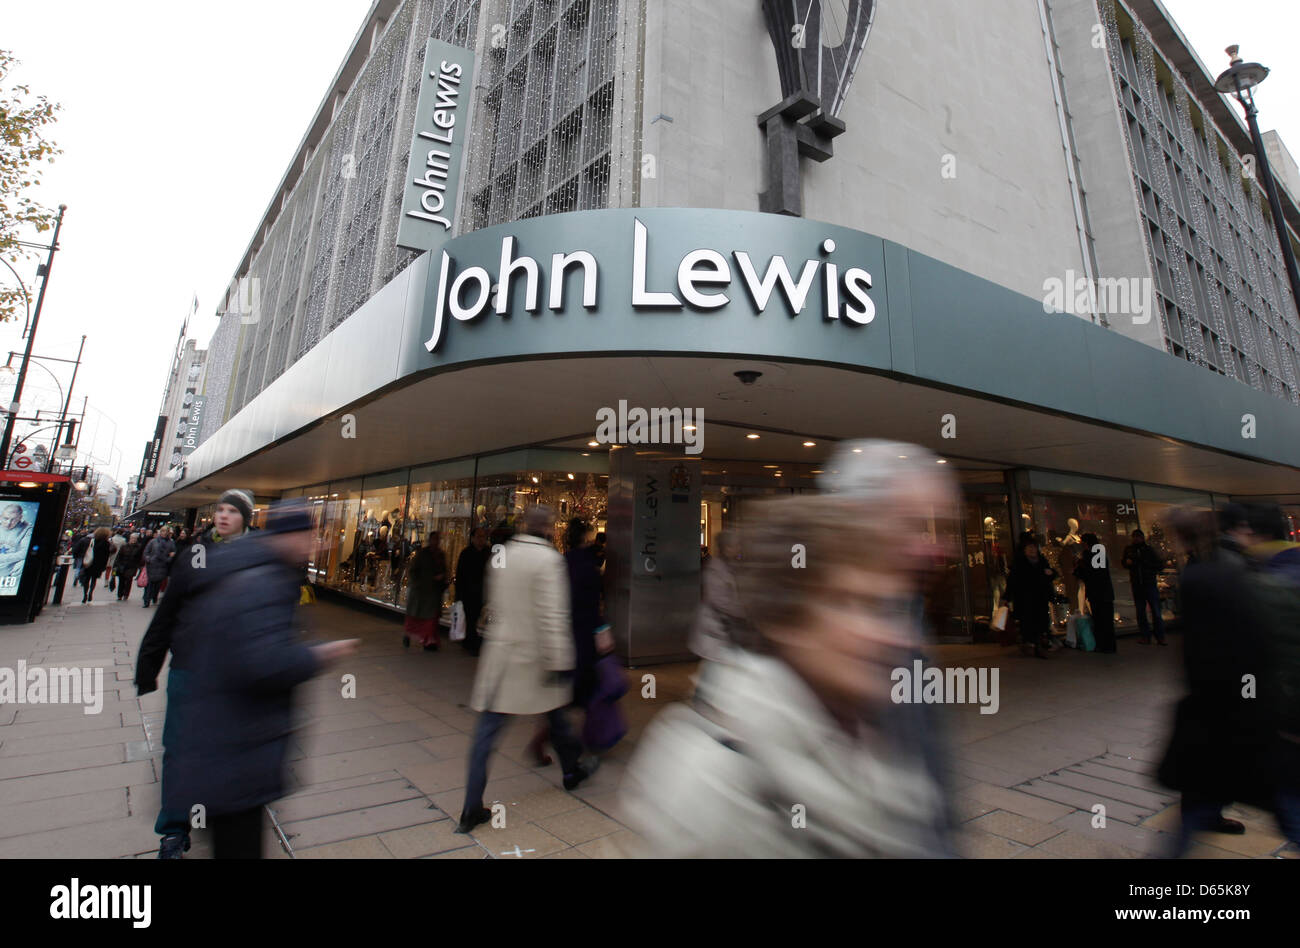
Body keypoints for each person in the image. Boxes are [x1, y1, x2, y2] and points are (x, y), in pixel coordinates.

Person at [621, 441, 958, 857]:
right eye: (850, 604)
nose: (894, 636)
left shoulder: (870, 730)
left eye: (884, 607)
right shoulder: (709, 780)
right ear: (790, 620)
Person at [162, 500, 358, 859]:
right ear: (291, 535)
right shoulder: (263, 580)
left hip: (225, 745)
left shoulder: (250, 567)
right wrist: (319, 655)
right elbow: (263, 663)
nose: (315, 543)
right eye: (310, 535)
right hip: (235, 750)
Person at [454, 505, 592, 835]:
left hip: (501, 657)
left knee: (486, 736)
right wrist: (561, 661)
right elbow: (552, 616)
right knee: (557, 715)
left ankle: (471, 807)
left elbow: (496, 605)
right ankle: (572, 771)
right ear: (547, 527)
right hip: (534, 659)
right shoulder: (549, 560)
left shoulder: (503, 555)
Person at [135, 491, 254, 857]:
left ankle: (219, 810)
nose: (222, 515)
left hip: (236, 673)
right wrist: (148, 663)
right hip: (190, 668)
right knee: (180, 748)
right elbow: (169, 610)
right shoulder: (194, 555)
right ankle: (173, 831)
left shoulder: (257, 558)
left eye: (232, 511)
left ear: (245, 518)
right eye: (220, 509)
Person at [1159, 504, 1275, 855]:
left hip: (1215, 695)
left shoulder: (1202, 572)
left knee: (1210, 781)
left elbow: (1198, 644)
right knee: (1234, 781)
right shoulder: (1234, 567)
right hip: (1231, 694)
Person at [689, 531, 749, 668]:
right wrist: (744, 611)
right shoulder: (715, 569)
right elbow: (720, 600)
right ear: (726, 547)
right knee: (714, 669)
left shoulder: (730, 566)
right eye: (735, 546)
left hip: (722, 631)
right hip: (714, 630)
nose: (738, 549)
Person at [1005, 534, 1059, 659]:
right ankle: (1033, 644)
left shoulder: (1041, 560)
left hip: (1041, 597)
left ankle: (1037, 644)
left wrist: (1051, 573)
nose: (1032, 550)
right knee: (1029, 622)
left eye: (1034, 548)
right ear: (1024, 550)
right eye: (1029, 548)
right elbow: (1012, 581)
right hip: (1026, 599)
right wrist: (1007, 597)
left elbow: (1050, 573)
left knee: (1041, 621)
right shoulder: (1020, 563)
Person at [403, 531, 447, 651]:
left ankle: (429, 640)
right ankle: (421, 638)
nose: (436, 542)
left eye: (438, 539)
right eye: (434, 539)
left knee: (431, 619)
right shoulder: (422, 554)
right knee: (420, 618)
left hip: (434, 592)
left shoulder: (440, 554)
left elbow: (443, 569)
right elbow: (413, 571)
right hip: (422, 592)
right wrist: (423, 581)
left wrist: (443, 581)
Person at [1122, 528, 1167, 645]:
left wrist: (1144, 565)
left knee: (1154, 611)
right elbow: (1124, 563)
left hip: (1148, 583)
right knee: (1142, 611)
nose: (1136, 539)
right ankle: (1147, 636)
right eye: (1134, 537)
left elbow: (1158, 565)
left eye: (1138, 537)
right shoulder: (1130, 550)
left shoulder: (1148, 550)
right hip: (1139, 584)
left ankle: (1158, 636)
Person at [1073, 532, 1116, 653]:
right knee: (1105, 621)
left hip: (1098, 592)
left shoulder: (1091, 554)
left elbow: (1091, 574)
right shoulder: (1098, 553)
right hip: (1103, 592)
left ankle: (1104, 645)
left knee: (1100, 620)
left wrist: (1080, 567)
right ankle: (1107, 645)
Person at [454, 527, 490, 657]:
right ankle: (471, 643)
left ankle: (471, 641)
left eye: (483, 536)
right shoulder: (466, 553)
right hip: (469, 593)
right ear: (473, 538)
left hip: (483, 593)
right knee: (471, 618)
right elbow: (460, 575)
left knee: (476, 617)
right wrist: (459, 595)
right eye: (479, 536)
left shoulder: (488, 553)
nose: (482, 539)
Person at [141, 527, 176, 607]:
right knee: (149, 584)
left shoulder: (170, 543)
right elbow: (146, 551)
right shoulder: (153, 541)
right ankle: (147, 600)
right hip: (152, 565)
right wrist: (148, 559)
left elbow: (173, 553)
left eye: (165, 531)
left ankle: (154, 597)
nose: (164, 533)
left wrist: (168, 559)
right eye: (162, 531)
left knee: (157, 584)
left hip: (162, 565)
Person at [0, 504, 34, 578]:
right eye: (5, 518)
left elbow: (26, 553)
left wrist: (2, 558)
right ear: (0, 516)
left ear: (20, 518)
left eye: (13, 520)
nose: (8, 523)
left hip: (10, 574)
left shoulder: (27, 529)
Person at [80, 527, 112, 603]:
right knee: (94, 579)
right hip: (98, 564)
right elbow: (106, 556)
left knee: (87, 579)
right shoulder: (107, 543)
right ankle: (91, 591)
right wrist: (104, 566)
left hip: (89, 562)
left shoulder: (92, 541)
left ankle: (85, 594)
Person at [115, 532, 144, 601]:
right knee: (121, 581)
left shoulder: (139, 547)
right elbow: (119, 556)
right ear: (129, 538)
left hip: (132, 566)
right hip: (122, 565)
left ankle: (126, 594)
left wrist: (139, 566)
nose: (133, 539)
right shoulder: (124, 546)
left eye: (135, 538)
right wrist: (116, 565)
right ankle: (119, 595)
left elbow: (140, 557)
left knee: (128, 580)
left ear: (137, 539)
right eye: (132, 538)